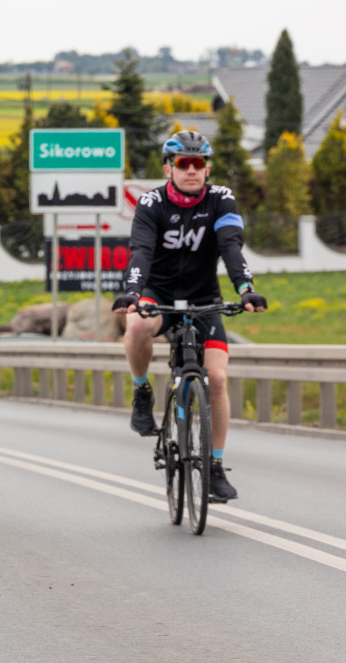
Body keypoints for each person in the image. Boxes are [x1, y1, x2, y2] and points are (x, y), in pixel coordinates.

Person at [111, 130, 267, 501]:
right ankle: (142, 392)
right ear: (169, 168)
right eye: (184, 163)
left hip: (203, 297)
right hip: (158, 292)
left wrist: (245, 289)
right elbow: (141, 252)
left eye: (199, 163)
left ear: (207, 168)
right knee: (136, 325)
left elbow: (231, 247)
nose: (192, 170)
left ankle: (214, 467)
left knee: (216, 377)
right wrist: (133, 293)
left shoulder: (220, 199)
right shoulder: (151, 204)